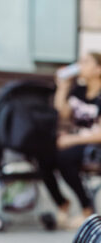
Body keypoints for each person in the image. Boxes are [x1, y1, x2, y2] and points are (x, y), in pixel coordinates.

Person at [49, 52, 101, 228]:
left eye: (86, 62)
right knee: (44, 156)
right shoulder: (79, 91)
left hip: (95, 147)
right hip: (78, 142)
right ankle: (61, 203)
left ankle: (87, 210)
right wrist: (62, 87)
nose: (80, 65)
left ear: (98, 69)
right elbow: (62, 113)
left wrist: (71, 140)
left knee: (64, 157)